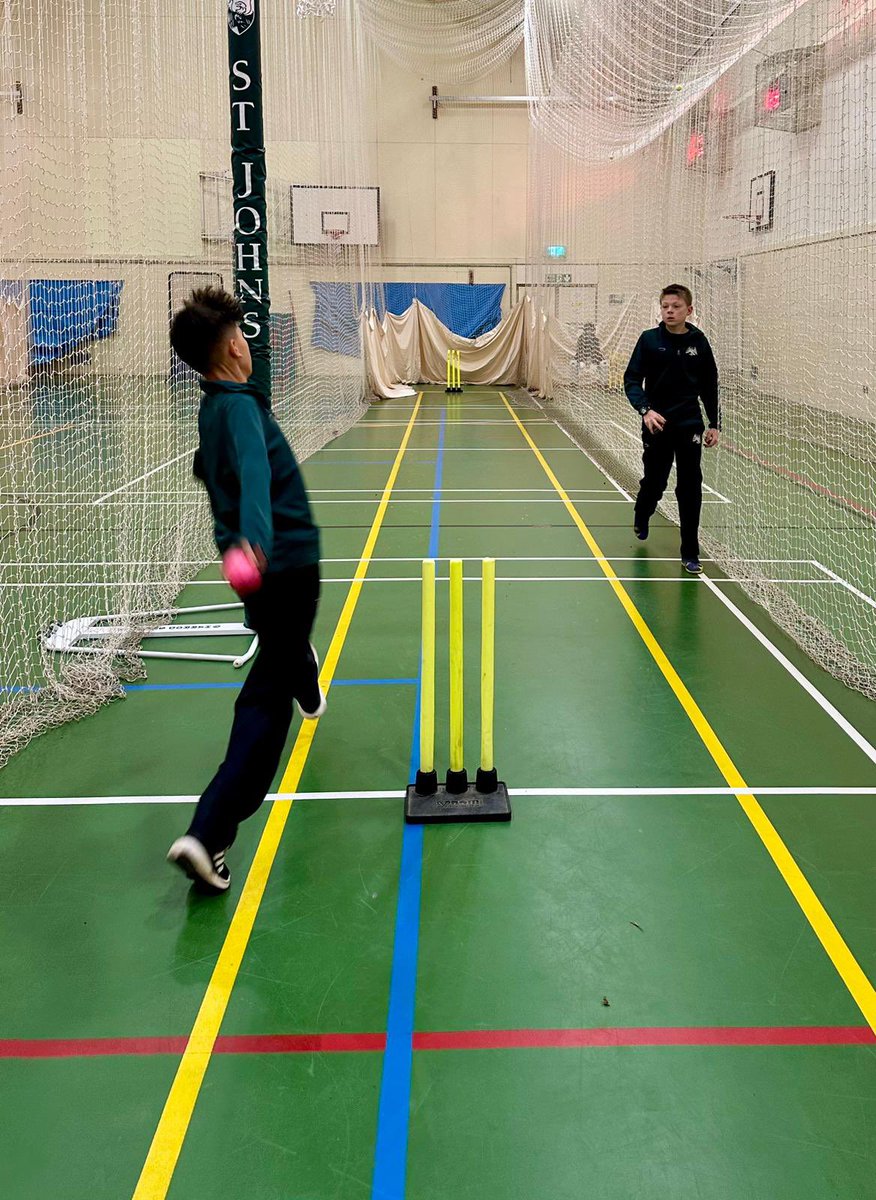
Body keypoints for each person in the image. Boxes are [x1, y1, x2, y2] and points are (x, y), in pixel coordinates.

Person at [166, 287, 324, 893]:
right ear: (233, 344)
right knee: (264, 699)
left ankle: (303, 673)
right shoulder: (238, 412)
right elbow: (254, 468)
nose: (249, 342)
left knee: (286, 647)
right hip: (281, 563)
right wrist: (256, 535)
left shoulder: (219, 402)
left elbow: (215, 465)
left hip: (255, 578)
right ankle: (209, 833)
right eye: (243, 335)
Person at [623, 284, 720, 574]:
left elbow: (709, 386)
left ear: (688, 310)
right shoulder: (649, 340)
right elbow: (631, 380)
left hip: (689, 424)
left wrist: (715, 423)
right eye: (665, 306)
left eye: (676, 306)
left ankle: (690, 551)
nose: (669, 311)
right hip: (657, 425)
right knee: (655, 482)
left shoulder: (699, 342)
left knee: (689, 488)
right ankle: (643, 512)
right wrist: (645, 410)